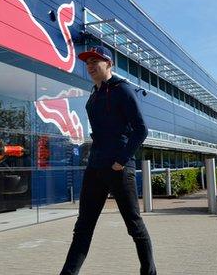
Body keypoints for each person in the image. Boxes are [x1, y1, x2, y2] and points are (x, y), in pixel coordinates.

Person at [60, 45, 156, 275]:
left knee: (134, 226)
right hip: (95, 167)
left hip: (118, 168)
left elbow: (141, 130)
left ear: (109, 64)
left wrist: (121, 160)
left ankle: (149, 272)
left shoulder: (123, 90)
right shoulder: (93, 95)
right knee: (82, 227)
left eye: (96, 61)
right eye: (88, 63)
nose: (91, 66)